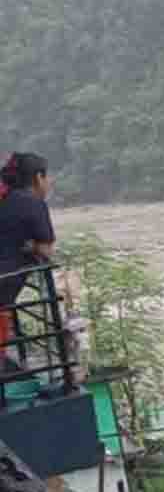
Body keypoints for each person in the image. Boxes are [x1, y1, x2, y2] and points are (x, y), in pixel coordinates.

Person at [0, 152, 57, 371]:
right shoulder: (33, 204)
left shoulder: (5, 198)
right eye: (47, 177)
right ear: (38, 178)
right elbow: (46, 250)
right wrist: (33, 246)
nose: (49, 183)